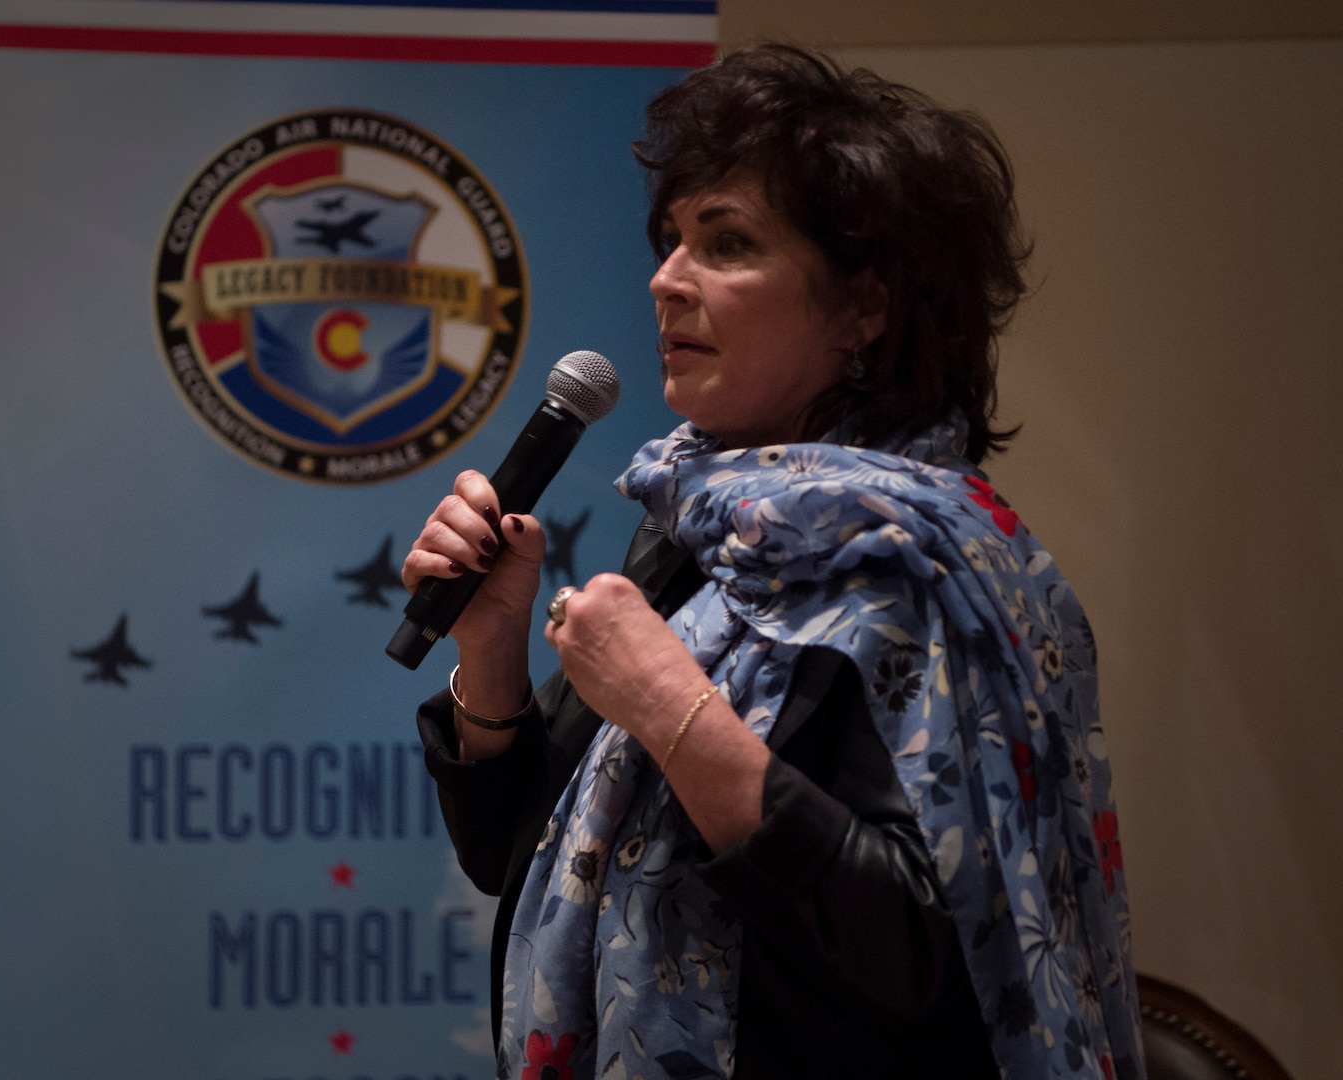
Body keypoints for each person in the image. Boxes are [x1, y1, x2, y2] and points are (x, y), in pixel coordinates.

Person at [406, 44, 1143, 1079]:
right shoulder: (701, 524)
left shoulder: (925, 564)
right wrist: (490, 654)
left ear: (866, 305)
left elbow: (922, 959)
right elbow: (510, 858)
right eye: (670, 240)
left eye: (727, 242)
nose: (665, 279)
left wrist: (671, 709)